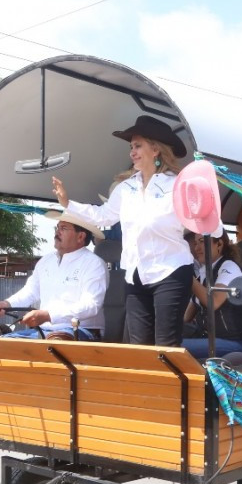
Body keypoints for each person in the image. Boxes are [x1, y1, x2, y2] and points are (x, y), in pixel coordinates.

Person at [52, 115, 195, 346]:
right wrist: (68, 203)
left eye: (137, 146)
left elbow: (199, 220)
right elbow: (103, 215)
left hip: (171, 271)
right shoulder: (125, 188)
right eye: (131, 147)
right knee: (139, 346)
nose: (132, 152)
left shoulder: (178, 184)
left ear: (155, 149)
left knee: (166, 346)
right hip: (135, 274)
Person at [0, 216, 108, 340]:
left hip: (82, 331)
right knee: (1, 343)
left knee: (46, 342)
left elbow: (91, 305)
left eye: (63, 228)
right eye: (57, 227)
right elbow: (30, 291)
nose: (57, 232)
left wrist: (48, 315)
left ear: (80, 236)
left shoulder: (94, 264)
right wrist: (7, 304)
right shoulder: (46, 261)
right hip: (45, 332)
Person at [182, 232, 242, 359]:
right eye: (195, 243)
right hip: (206, 336)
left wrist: (187, 275)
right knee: (162, 338)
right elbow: (186, 317)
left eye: (202, 242)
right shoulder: (203, 272)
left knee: (173, 346)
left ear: (219, 244)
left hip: (231, 342)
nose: (197, 248)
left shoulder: (229, 266)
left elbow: (214, 302)